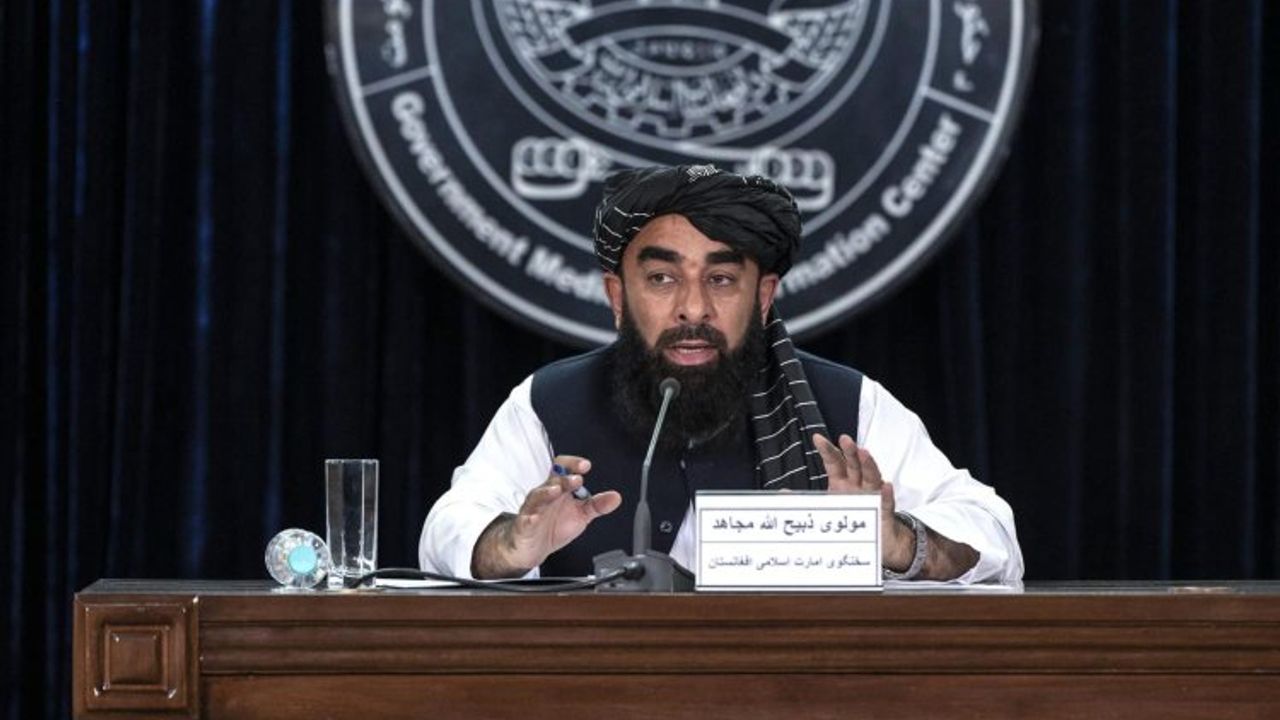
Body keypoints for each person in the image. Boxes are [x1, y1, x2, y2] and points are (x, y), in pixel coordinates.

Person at [420, 164, 1022, 585]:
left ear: (763, 297)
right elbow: (448, 527)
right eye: (662, 279)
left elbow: (994, 535)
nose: (693, 309)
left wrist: (897, 542)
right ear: (618, 297)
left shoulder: (847, 405)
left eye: (722, 279)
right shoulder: (551, 402)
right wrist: (514, 542)